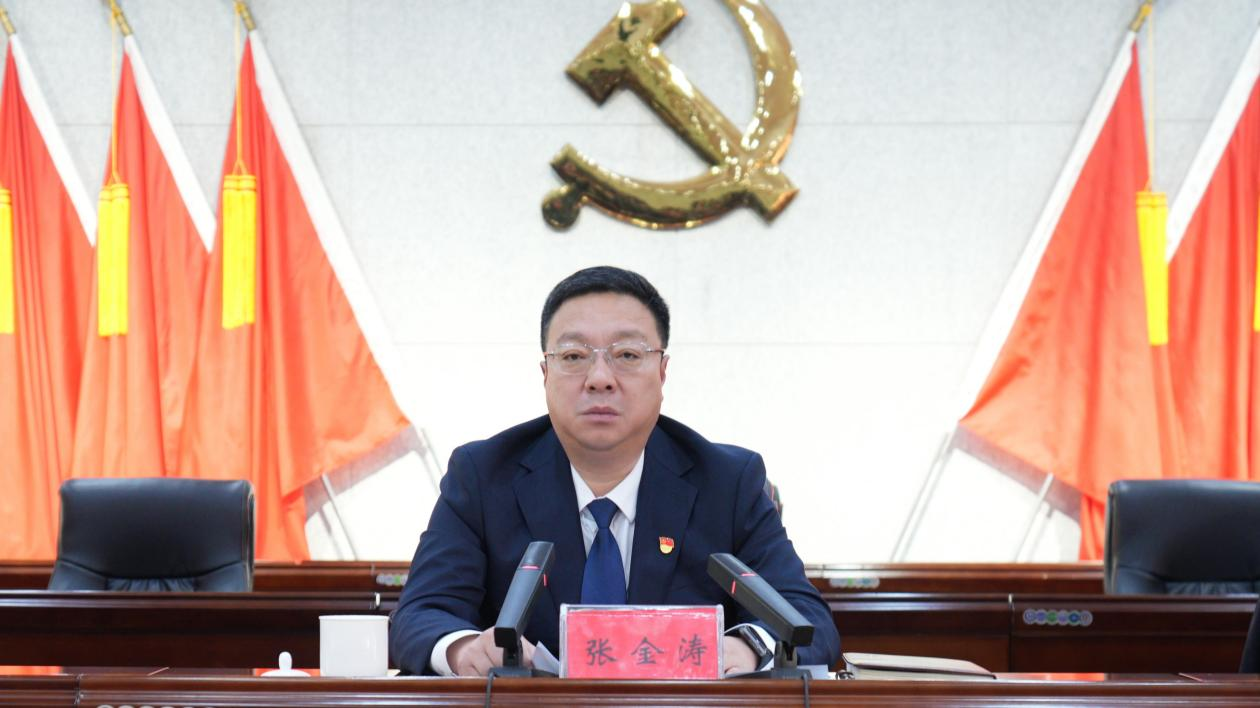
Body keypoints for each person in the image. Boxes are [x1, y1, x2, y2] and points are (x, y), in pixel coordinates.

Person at [389, 266, 840, 676]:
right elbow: (420, 614)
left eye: (627, 354)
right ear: (545, 373)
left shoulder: (727, 481)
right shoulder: (483, 475)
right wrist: (463, 649)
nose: (600, 378)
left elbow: (807, 619)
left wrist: (746, 647)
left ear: (662, 372)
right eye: (573, 356)